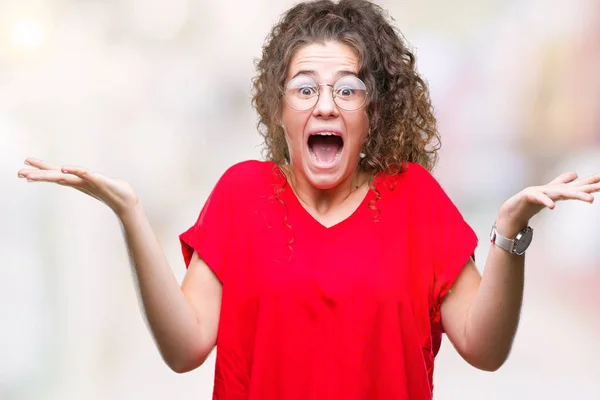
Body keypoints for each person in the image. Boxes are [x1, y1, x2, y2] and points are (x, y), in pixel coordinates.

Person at [16, 1, 600, 399]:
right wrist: (130, 214)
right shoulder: (242, 194)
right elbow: (186, 346)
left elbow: (485, 347)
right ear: (280, 108)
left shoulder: (415, 199)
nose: (326, 104)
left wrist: (511, 233)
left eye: (348, 88)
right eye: (305, 88)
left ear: (375, 110)